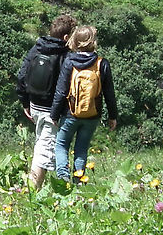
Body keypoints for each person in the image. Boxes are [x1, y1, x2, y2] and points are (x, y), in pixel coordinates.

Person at [16, 14, 77, 190]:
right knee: (45, 150)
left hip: (34, 105)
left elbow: (22, 76)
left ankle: (37, 189)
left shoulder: (36, 48)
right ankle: (32, 191)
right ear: (66, 37)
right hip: (52, 111)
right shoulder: (65, 56)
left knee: (42, 142)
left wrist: (25, 102)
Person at [50, 25, 118, 183]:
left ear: (75, 41)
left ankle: (62, 177)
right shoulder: (102, 64)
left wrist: (54, 114)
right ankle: (78, 181)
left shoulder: (69, 62)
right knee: (81, 148)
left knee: (61, 145)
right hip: (92, 114)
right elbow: (109, 94)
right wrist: (113, 116)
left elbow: (60, 92)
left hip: (70, 113)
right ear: (93, 41)